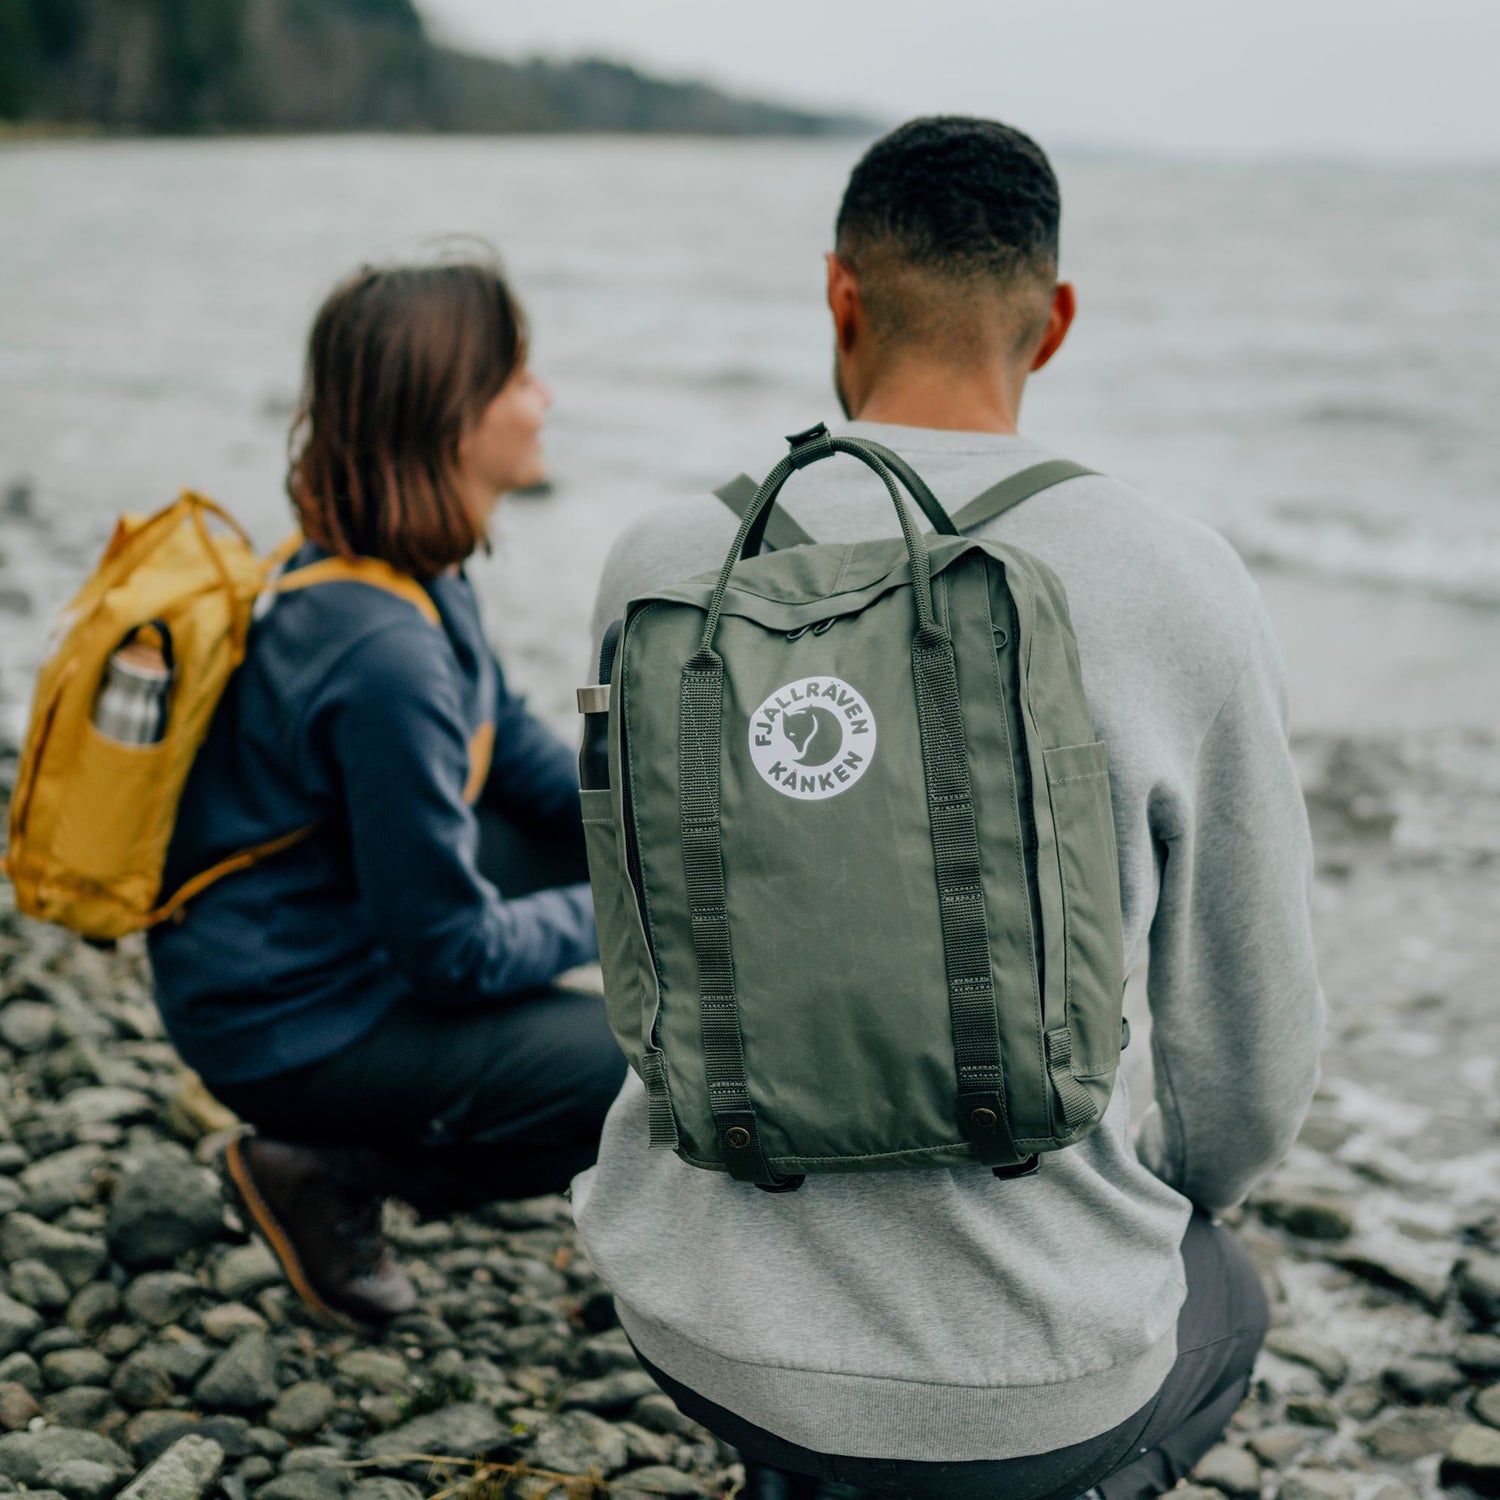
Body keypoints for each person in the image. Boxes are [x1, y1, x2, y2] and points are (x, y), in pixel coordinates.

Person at [573, 118, 1323, 1499]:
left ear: (840, 294)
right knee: (1224, 1294)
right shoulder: (1181, 582)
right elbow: (1250, 1069)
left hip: (701, 1330)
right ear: (1058, 321)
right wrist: (1172, 1187)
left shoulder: (664, 565)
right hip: (1022, 1390)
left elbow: (645, 941)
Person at [148, 260, 625, 1327]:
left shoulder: (409, 572)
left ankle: (366, 1145)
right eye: (516, 375)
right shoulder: (381, 653)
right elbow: (450, 954)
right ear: (449, 417)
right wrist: (628, 913)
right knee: (644, 1073)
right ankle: (327, 1171)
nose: (542, 397)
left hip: (309, 930)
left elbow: (511, 755)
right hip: (283, 1020)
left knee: (600, 855)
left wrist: (654, 831)